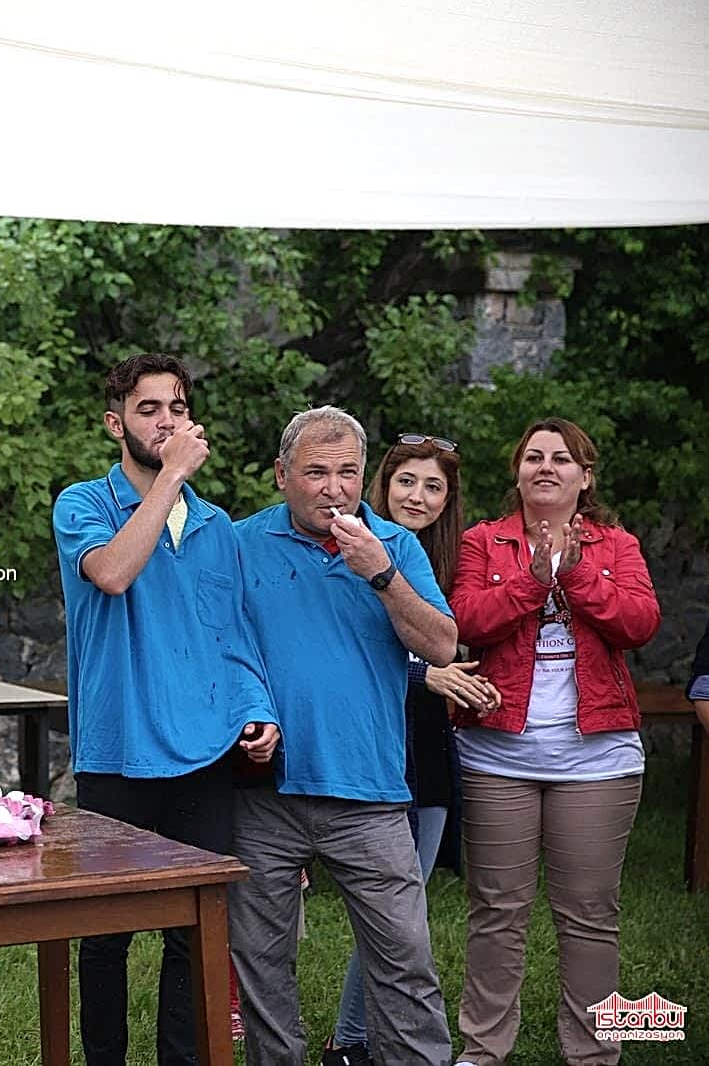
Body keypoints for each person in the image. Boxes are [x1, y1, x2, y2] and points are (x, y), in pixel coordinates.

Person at [52, 353, 279, 1065]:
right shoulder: (82, 504)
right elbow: (113, 573)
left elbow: (232, 635)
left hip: (206, 750)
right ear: (114, 423)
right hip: (118, 748)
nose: (166, 421)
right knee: (107, 931)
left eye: (177, 408)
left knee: (194, 930)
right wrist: (172, 478)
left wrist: (258, 709)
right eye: (148, 409)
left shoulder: (216, 526)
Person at [232, 406, 456, 1066]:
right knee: (262, 969)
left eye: (348, 473)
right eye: (316, 473)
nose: (334, 489)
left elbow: (442, 646)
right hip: (264, 794)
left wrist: (381, 573)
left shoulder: (396, 545)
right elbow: (218, 649)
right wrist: (249, 716)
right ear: (281, 475)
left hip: (370, 791)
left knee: (405, 964)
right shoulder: (240, 544)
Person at [450, 417, 660, 1066]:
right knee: (496, 911)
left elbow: (640, 623)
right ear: (517, 472)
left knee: (591, 914)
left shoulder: (617, 544)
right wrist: (533, 579)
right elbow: (465, 620)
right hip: (496, 756)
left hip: (598, 759)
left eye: (561, 458)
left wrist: (575, 574)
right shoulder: (483, 541)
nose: (546, 466)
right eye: (533, 456)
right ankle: (482, 1050)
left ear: (584, 477)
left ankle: (595, 1053)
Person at [323, 433, 502, 1066]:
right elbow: (341, 654)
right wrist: (426, 675)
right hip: (364, 744)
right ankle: (350, 1042)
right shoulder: (347, 548)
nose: (417, 496)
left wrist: (454, 678)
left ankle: (362, 1038)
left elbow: (451, 643)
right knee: (387, 912)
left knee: (404, 908)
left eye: (433, 487)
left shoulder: (448, 564)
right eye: (406, 481)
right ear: (382, 484)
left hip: (425, 746)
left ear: (449, 500)